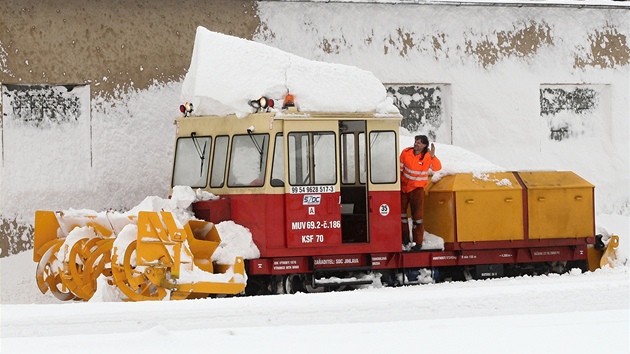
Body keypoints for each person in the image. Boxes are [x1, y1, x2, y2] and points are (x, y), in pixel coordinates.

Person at [399, 134, 442, 251]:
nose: (416, 144)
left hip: (417, 190)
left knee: (418, 218)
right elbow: (399, 169)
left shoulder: (428, 156)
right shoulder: (405, 152)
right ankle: (405, 238)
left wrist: (433, 157)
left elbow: (437, 168)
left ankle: (418, 242)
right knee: (401, 215)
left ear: (424, 145)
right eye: (416, 141)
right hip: (404, 188)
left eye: (419, 142)